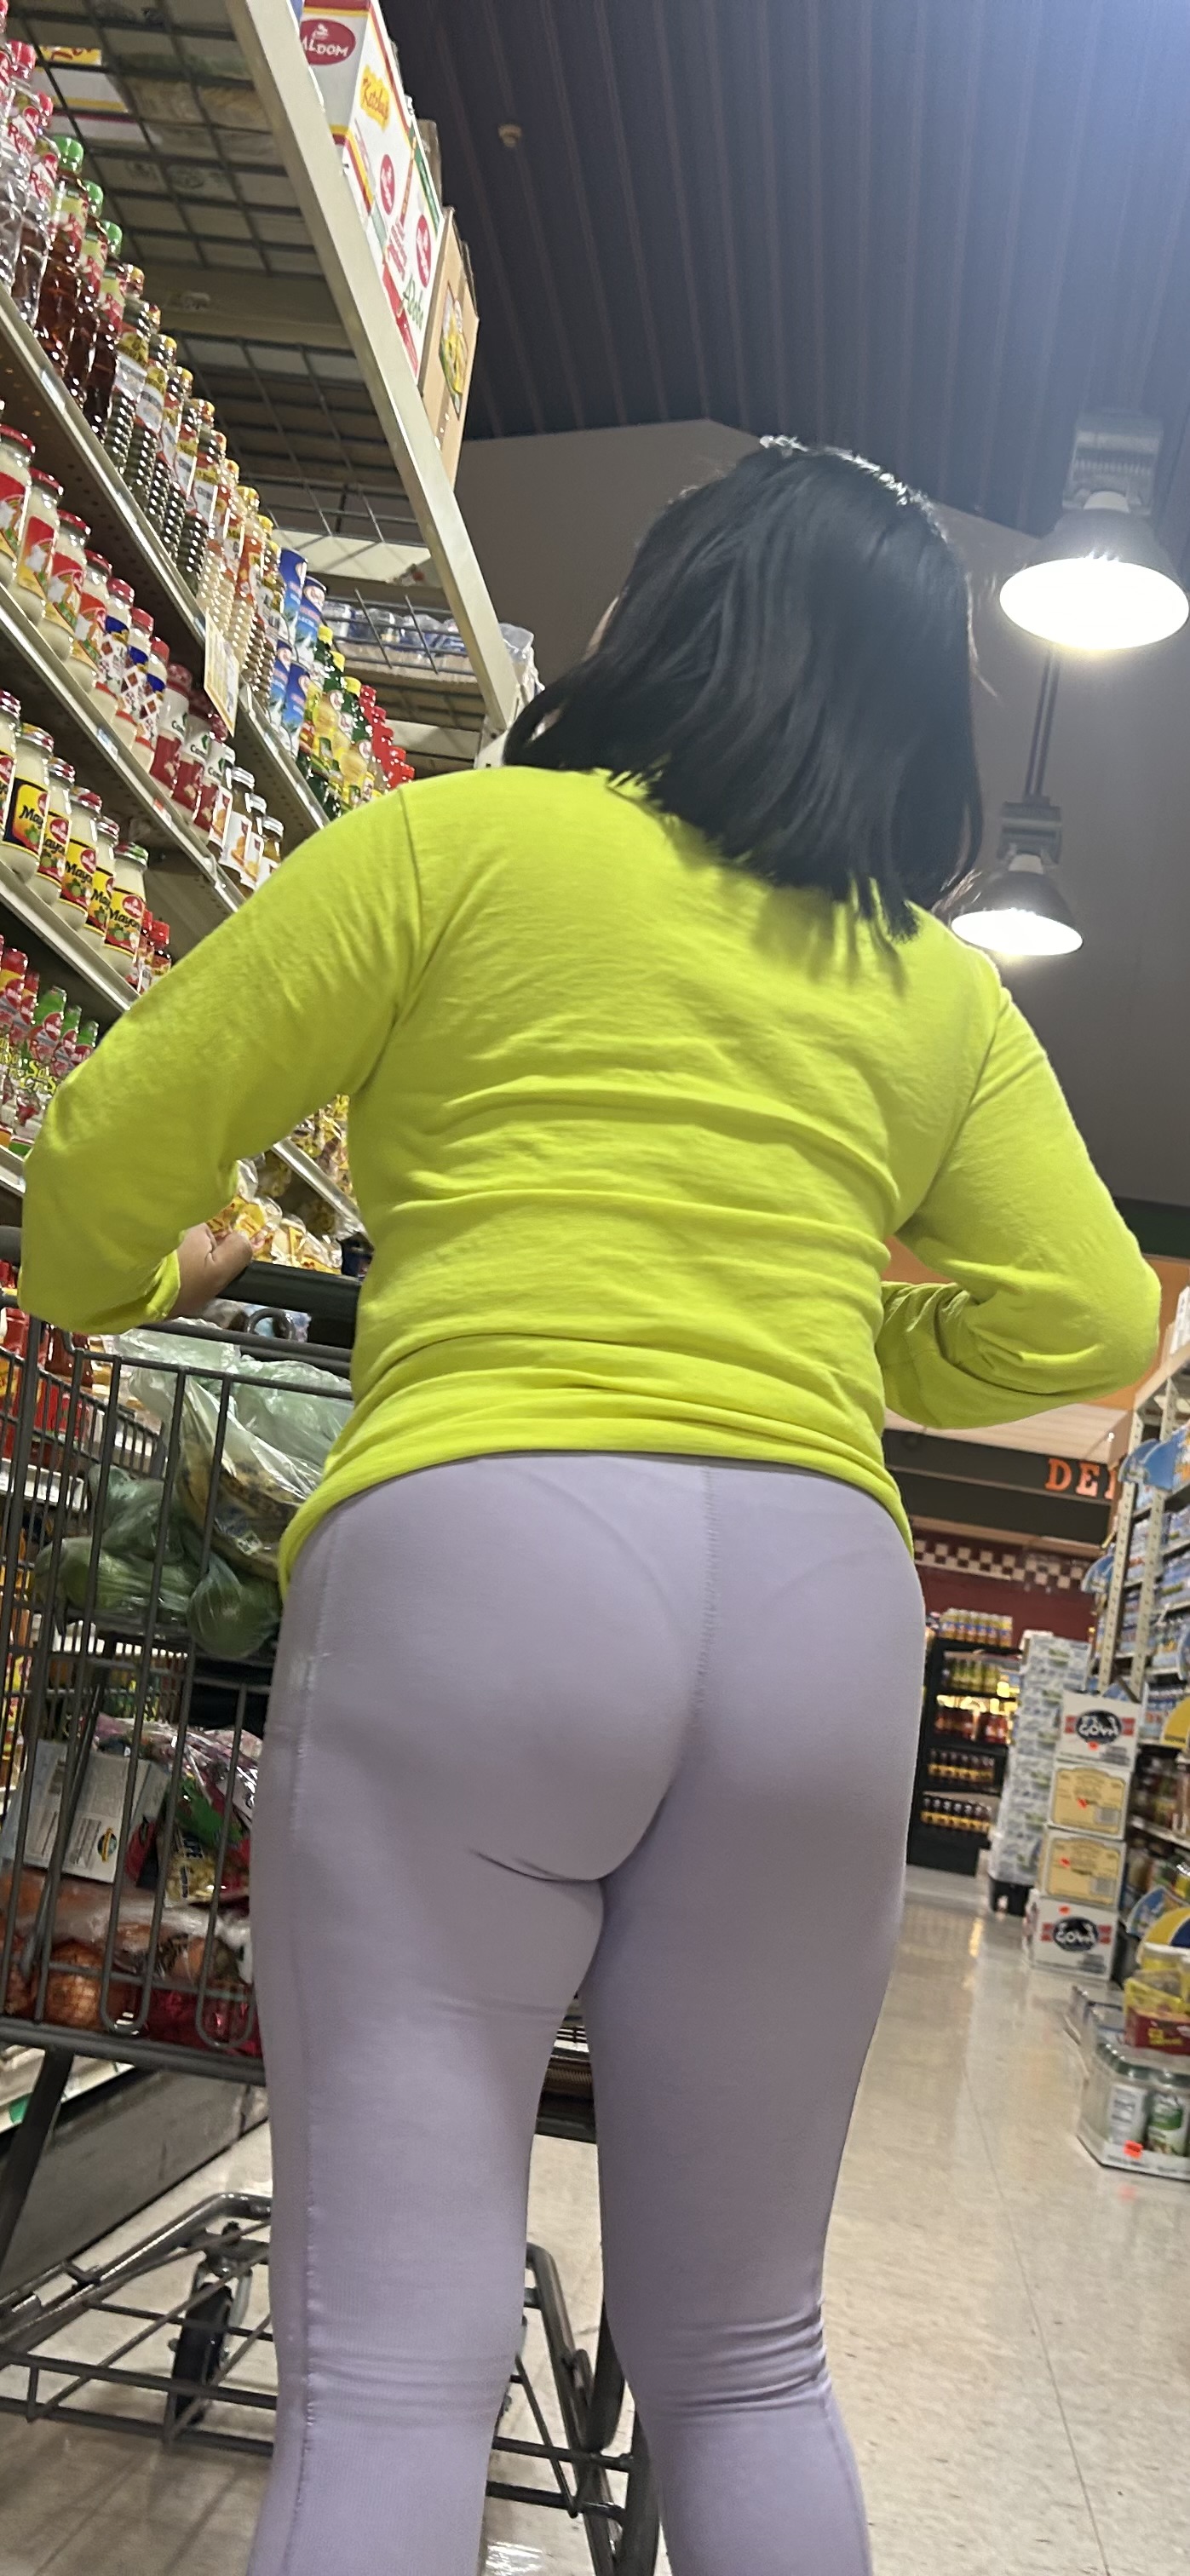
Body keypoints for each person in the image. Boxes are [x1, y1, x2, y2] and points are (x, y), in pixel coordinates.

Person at [20, 442, 1156, 2576]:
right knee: (749, 2361)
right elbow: (1094, 1313)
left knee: (393, 2375)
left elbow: (102, 1150)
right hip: (821, 1610)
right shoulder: (928, 981)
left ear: (662, 624)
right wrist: (868, 1354)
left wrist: (129, 1276)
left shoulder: (453, 844)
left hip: (483, 1550)